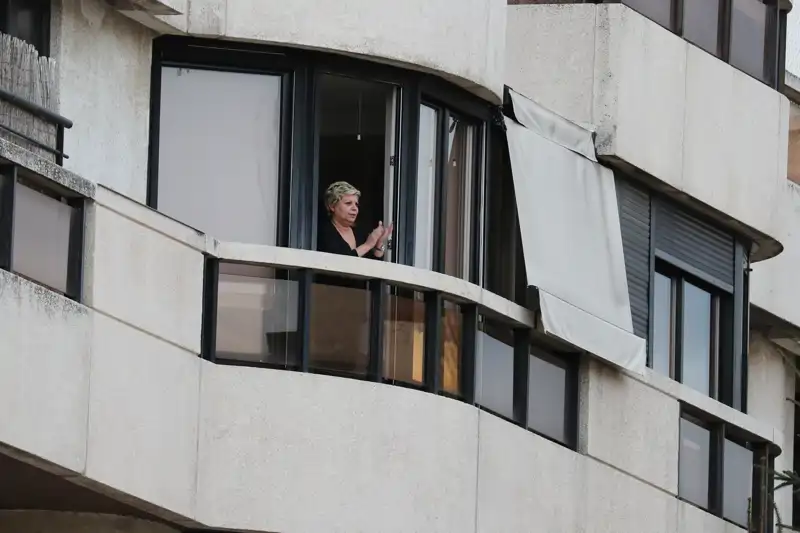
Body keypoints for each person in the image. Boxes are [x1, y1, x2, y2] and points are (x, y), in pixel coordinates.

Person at [319, 181, 393, 259]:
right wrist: (367, 245)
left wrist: (378, 243)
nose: (354, 208)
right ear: (332, 206)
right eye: (348, 203)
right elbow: (339, 262)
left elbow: (373, 267)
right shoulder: (323, 231)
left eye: (356, 204)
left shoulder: (359, 233)